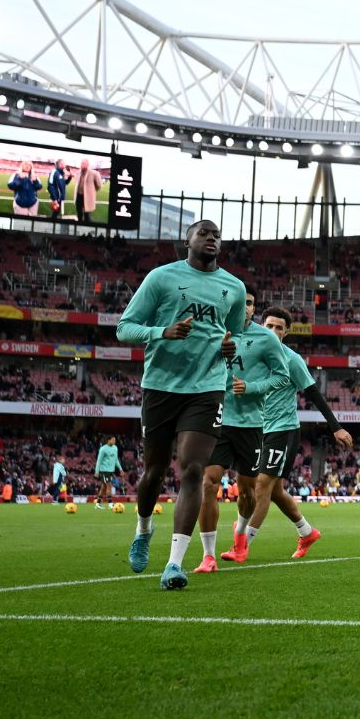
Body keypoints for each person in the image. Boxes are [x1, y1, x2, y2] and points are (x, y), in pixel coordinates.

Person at [115, 219, 248, 589]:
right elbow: (124, 328)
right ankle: (143, 528)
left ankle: (174, 564)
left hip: (206, 388)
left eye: (217, 234)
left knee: (192, 471)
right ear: (186, 239)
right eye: (203, 232)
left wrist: (228, 346)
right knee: (154, 472)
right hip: (160, 387)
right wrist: (163, 332)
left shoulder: (234, 288)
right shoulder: (161, 278)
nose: (211, 238)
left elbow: (232, 333)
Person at [228, 306, 352, 562]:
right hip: (255, 428)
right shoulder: (250, 352)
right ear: (261, 326)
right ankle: (307, 532)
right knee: (275, 492)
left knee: (261, 486)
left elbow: (313, 392)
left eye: (279, 327)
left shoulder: (291, 359)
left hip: (282, 430)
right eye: (269, 325)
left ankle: (242, 545)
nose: (273, 331)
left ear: (287, 332)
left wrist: (336, 426)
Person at [197, 284, 289, 572]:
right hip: (218, 418)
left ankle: (240, 535)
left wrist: (252, 387)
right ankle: (209, 556)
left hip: (251, 424)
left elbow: (282, 376)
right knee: (208, 482)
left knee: (247, 493)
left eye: (250, 303)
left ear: (253, 307)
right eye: (241, 302)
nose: (246, 307)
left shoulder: (266, 339)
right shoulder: (214, 332)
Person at [94, 436, 121, 509]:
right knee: (109, 485)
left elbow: (116, 460)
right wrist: (97, 471)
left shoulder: (115, 448)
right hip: (104, 471)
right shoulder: (103, 449)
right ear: (108, 440)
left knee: (103, 487)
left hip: (111, 471)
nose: (114, 441)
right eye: (113, 440)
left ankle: (98, 503)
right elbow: (99, 461)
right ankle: (110, 503)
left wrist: (120, 469)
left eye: (115, 440)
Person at [74, 158, 102, 225]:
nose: (81, 165)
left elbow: (99, 185)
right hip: (79, 196)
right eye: (81, 163)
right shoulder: (78, 173)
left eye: (83, 164)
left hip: (87, 198)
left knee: (87, 215)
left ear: (87, 164)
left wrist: (92, 192)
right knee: (79, 213)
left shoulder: (94, 173)